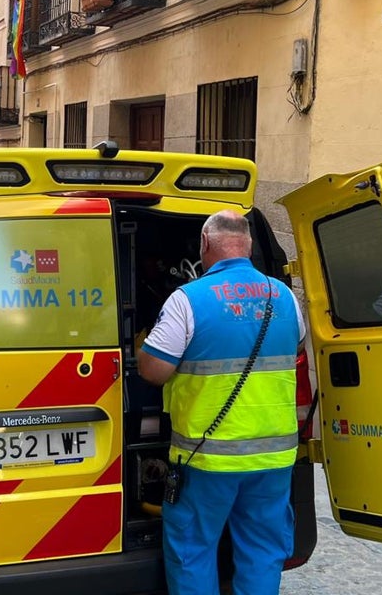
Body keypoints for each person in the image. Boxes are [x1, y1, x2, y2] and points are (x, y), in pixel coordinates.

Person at [136, 210, 305, 595]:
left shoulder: (187, 300)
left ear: (205, 245)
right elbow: (292, 348)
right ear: (246, 246)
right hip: (273, 458)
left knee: (193, 550)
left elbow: (154, 371)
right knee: (263, 551)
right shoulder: (285, 297)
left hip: (207, 457)